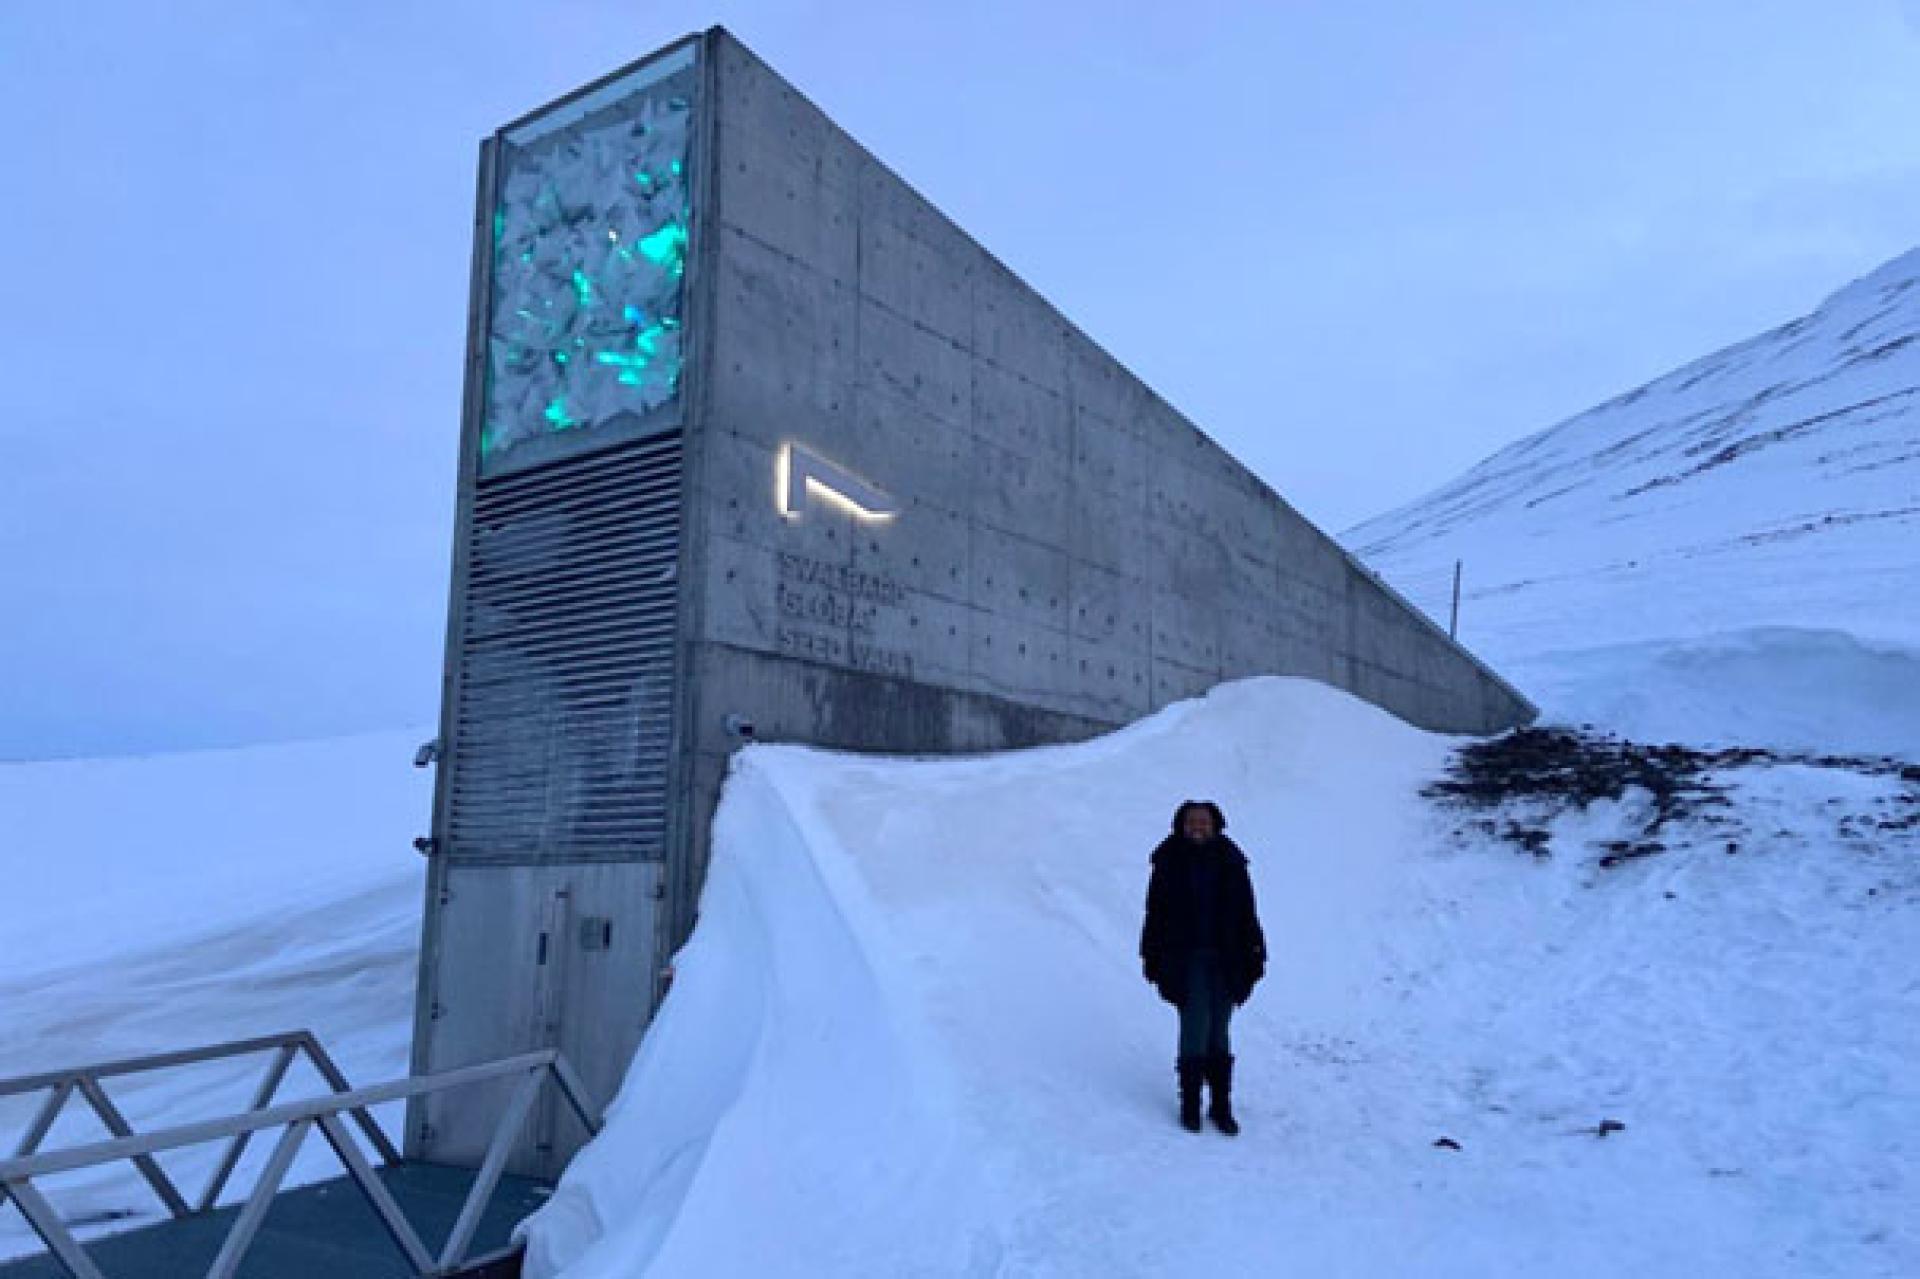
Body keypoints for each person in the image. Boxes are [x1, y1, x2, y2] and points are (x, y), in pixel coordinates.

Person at [1139, 800, 1267, 1135]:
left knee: (1220, 1028)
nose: (1198, 826)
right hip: (1186, 960)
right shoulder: (1168, 861)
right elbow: (1154, 914)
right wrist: (1151, 956)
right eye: (1192, 821)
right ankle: (1191, 1105)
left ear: (1215, 825)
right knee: (1195, 1025)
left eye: (1204, 821)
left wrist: (1255, 953)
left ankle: (1221, 1106)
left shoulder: (1232, 860)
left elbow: (1247, 912)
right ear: (1181, 825)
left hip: (1227, 958)